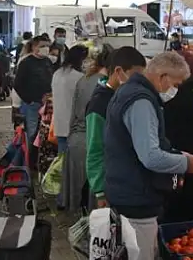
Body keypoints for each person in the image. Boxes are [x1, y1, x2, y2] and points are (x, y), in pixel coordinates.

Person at [104, 52, 193, 260]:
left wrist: (177, 153)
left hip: (125, 188)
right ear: (163, 77)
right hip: (136, 196)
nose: (175, 90)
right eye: (176, 84)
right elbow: (150, 156)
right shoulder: (141, 101)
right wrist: (186, 163)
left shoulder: (129, 91)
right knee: (141, 253)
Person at [87, 46, 147, 209]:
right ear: (119, 72)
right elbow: (94, 149)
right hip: (108, 185)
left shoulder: (123, 95)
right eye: (136, 76)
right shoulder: (100, 103)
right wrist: (100, 191)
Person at [162, 50, 193, 223]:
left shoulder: (157, 94)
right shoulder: (188, 96)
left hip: (163, 162)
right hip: (185, 161)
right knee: (182, 212)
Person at [61, 44, 108, 212]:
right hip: (91, 142)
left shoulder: (85, 79)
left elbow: (74, 112)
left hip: (76, 141)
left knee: (80, 195)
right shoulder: (103, 85)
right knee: (93, 198)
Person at [14, 35, 54, 168]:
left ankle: (41, 159)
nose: (45, 49)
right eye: (42, 46)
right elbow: (18, 84)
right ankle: (30, 162)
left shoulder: (48, 61)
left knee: (45, 134)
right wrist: (29, 100)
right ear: (34, 47)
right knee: (32, 133)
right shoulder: (26, 63)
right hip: (33, 105)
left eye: (47, 46)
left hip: (47, 104)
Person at [52, 45, 89, 154]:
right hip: (74, 125)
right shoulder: (78, 77)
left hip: (60, 123)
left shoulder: (58, 73)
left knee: (62, 157)